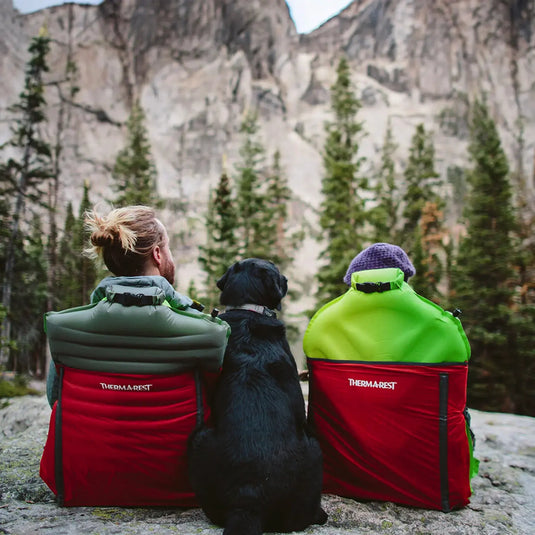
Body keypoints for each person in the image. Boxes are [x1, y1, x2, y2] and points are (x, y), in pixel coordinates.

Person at [303, 242, 478, 512]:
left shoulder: (324, 323)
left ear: (352, 280)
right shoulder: (439, 324)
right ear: (405, 277)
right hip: (433, 490)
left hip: (337, 480)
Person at [46, 205, 207, 407]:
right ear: (157, 254)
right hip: (174, 437)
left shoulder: (71, 328)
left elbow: (56, 397)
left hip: (95, 437)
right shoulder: (198, 326)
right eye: (168, 247)